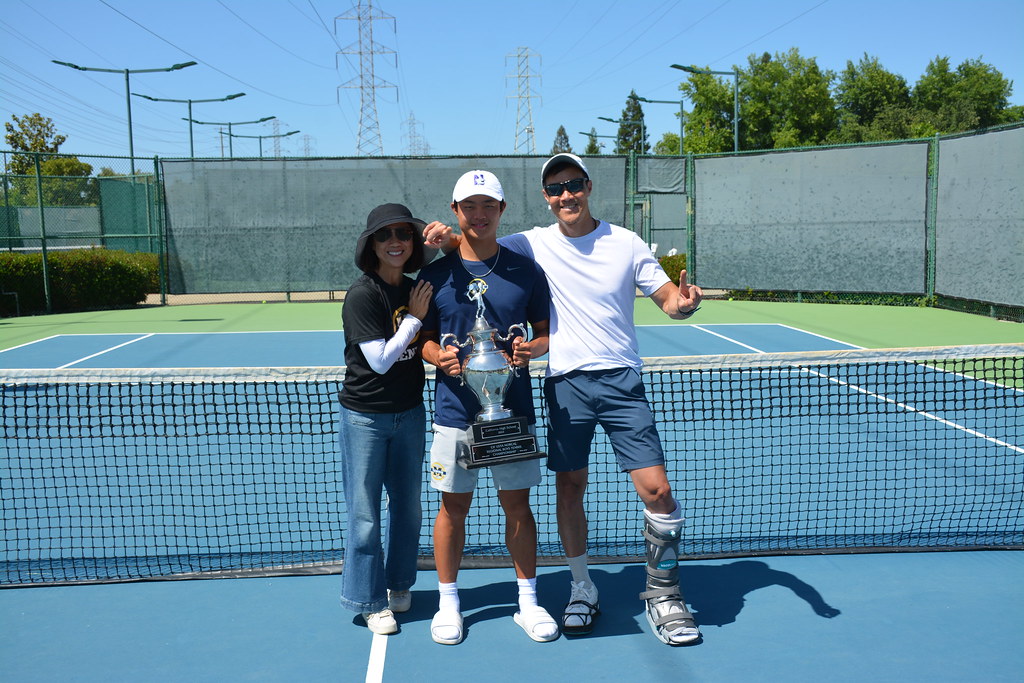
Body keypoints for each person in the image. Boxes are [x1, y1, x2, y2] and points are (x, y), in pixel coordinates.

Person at [498, 153, 705, 646]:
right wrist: (442, 236)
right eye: (555, 189)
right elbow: (478, 245)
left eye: (573, 184)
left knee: (657, 491)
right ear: (546, 198)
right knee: (569, 489)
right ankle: (582, 586)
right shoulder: (530, 243)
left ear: (588, 186)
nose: (565, 195)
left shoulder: (626, 242)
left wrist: (685, 304)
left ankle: (663, 592)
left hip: (621, 384)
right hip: (565, 384)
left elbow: (668, 301)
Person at [418, 170, 556, 646]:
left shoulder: (525, 270)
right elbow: (423, 341)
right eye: (469, 207)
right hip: (455, 413)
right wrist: (439, 356)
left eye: (488, 206)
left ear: (501, 212)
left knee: (517, 503)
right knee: (452, 507)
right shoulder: (434, 274)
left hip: (511, 412)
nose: (479, 215)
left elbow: (543, 331)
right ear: (456, 211)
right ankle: (449, 602)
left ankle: (528, 600)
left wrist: (531, 350)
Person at [338, 203, 451, 635]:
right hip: (365, 419)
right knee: (365, 514)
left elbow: (462, 257)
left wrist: (450, 236)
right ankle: (368, 599)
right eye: (385, 236)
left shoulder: (415, 287)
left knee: (408, 508)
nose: (395, 242)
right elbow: (381, 360)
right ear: (372, 245)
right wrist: (415, 319)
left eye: (404, 234)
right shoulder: (363, 295)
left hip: (410, 414)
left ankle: (400, 584)